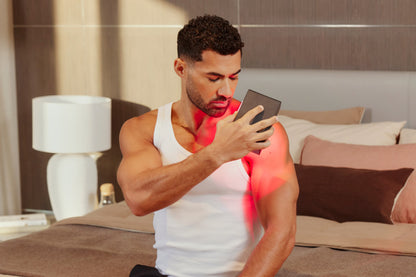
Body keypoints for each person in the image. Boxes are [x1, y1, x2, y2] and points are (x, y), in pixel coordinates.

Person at [117, 15, 299, 277]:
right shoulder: (144, 129)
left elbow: (281, 232)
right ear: (181, 69)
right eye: (213, 78)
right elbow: (138, 200)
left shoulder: (257, 130)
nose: (226, 90)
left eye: (234, 77)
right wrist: (218, 153)